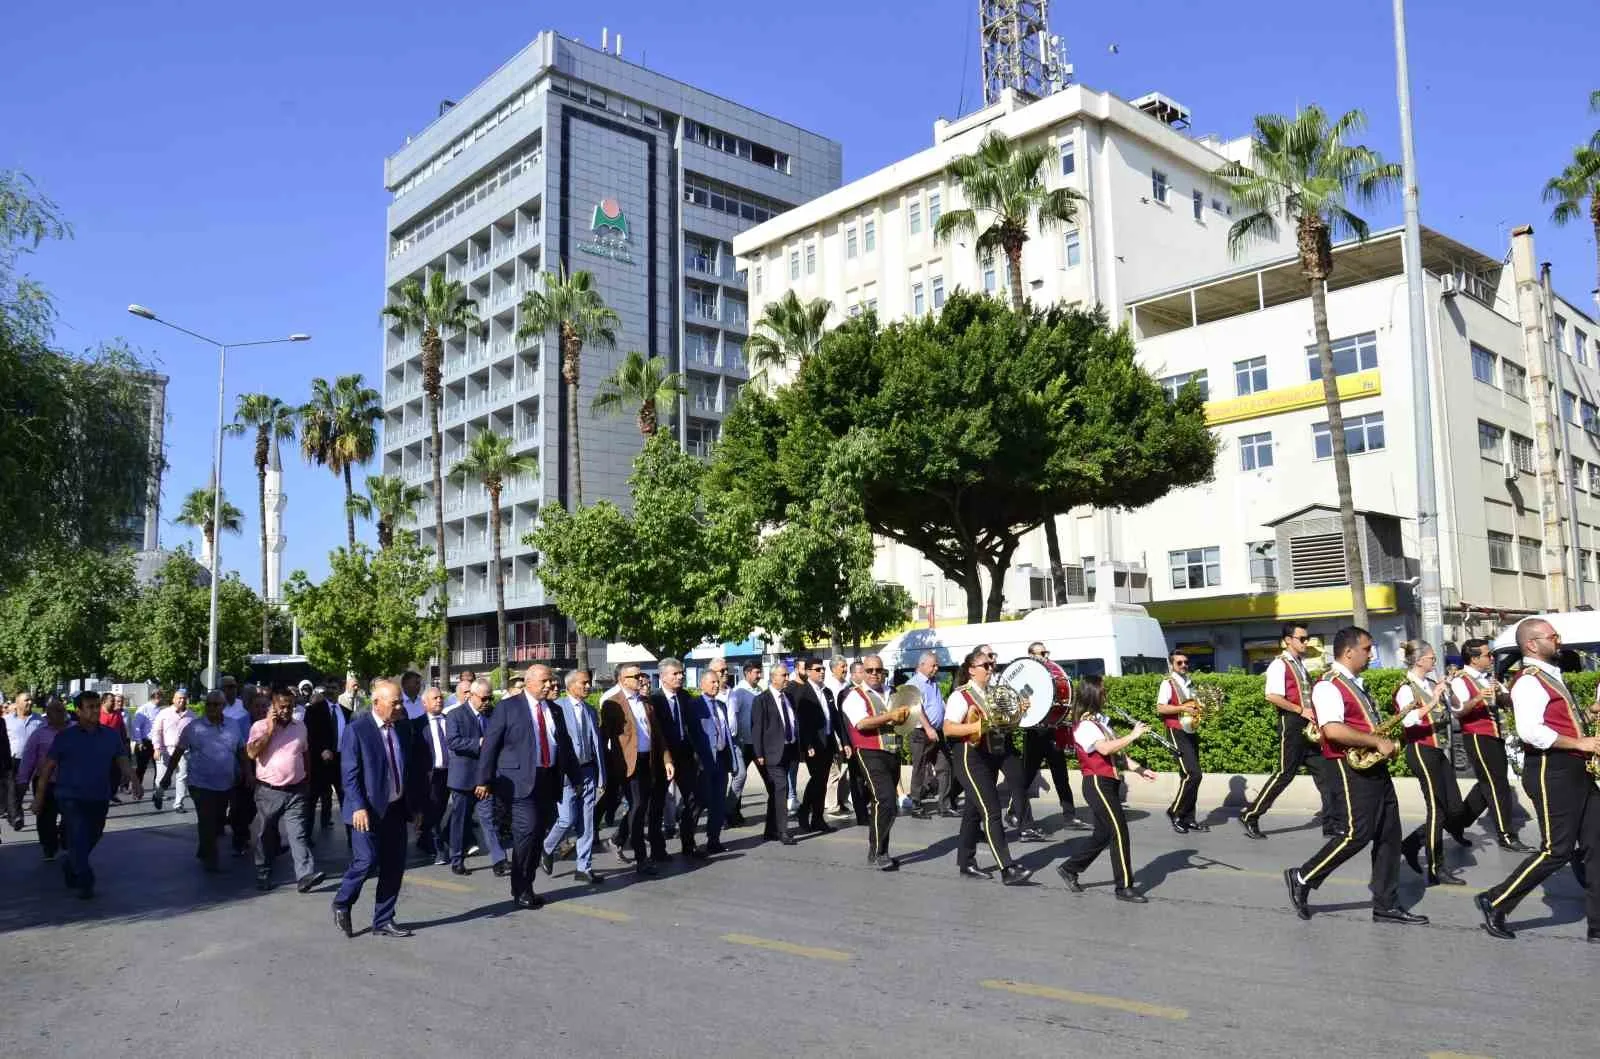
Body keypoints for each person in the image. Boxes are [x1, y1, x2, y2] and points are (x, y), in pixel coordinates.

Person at [1285, 626, 1427, 926]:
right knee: (1356, 834)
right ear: (1348, 651)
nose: (1371, 653)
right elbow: (1332, 730)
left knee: (1389, 835)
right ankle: (1302, 876)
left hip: (1371, 766)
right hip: (1347, 768)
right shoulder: (1329, 685)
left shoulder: (1356, 683)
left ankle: (1385, 904)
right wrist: (1376, 742)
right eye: (1367, 648)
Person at [1476, 617, 1600, 941]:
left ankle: (1597, 924)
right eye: (1552, 636)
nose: (1558, 640)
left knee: (1596, 844)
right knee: (1556, 850)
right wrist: (1580, 743)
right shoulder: (1530, 680)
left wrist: (1590, 714)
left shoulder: (1549, 675)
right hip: (1550, 769)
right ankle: (1496, 900)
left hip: (1575, 768)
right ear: (1532, 644)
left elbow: (1559, 722)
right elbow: (1530, 731)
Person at [476, 664, 579, 909]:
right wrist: (483, 779)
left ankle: (527, 886)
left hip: (547, 780)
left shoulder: (554, 710)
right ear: (529, 681)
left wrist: (576, 778)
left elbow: (564, 746)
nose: (549, 685)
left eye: (551, 681)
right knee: (527, 833)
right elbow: (490, 745)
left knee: (536, 837)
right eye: (544, 680)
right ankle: (520, 887)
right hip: (519, 783)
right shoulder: (508, 708)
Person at [332, 680, 418, 939]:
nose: (401, 706)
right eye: (395, 702)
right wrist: (358, 806)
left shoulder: (403, 728)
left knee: (394, 866)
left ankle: (383, 919)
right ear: (377, 703)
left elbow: (409, 769)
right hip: (366, 810)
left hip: (394, 808)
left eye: (401, 701)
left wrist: (415, 808)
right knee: (366, 860)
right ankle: (342, 902)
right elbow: (350, 774)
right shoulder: (357, 730)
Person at [1059, 679, 1158, 902]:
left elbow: (1117, 755)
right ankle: (1124, 887)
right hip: (1096, 783)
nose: (1105, 696)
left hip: (1109, 782)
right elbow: (1104, 748)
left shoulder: (1099, 723)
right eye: (1103, 692)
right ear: (1092, 695)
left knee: (1103, 834)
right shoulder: (1084, 726)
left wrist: (1140, 769)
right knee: (1119, 831)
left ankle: (1069, 868)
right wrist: (1133, 735)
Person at [36, 690, 140, 898]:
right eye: (89, 707)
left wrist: (134, 780)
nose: (94, 711)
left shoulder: (110, 735)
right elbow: (47, 768)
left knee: (94, 834)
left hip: (99, 795)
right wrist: (39, 798)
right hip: (70, 797)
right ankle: (85, 878)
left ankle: (71, 862)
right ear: (79, 711)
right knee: (78, 833)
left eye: (96, 706)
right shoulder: (65, 737)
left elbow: (122, 760)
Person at [940, 651, 1032, 886]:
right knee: (991, 811)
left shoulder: (993, 693)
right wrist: (979, 725)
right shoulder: (961, 696)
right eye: (986, 665)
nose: (991, 669)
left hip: (991, 756)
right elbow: (948, 729)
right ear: (971, 669)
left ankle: (966, 862)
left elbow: (1007, 725)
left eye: (993, 665)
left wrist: (1019, 712)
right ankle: (1007, 868)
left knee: (972, 813)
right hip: (970, 758)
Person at [1241, 624, 1335, 839]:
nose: (1305, 642)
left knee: (1326, 775)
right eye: (1301, 638)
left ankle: (1330, 824)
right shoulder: (1279, 665)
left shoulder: (1300, 664)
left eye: (1306, 638)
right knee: (1285, 774)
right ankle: (1251, 815)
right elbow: (1272, 696)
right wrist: (1301, 710)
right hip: (1292, 723)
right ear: (1287, 641)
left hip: (1309, 726)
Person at [1446, 638, 1530, 851]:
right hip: (1477, 736)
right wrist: (1477, 698)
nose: (1491, 658)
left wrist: (1502, 694)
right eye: (1487, 655)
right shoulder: (1460, 680)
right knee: (1497, 784)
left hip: (1495, 736)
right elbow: (1458, 711)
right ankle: (1506, 834)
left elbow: (1508, 702)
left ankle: (1456, 823)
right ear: (1474, 659)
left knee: (1487, 784)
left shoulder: (1490, 678)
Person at [1392, 642, 1466, 886]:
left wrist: (1448, 690)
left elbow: (1456, 709)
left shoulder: (1432, 684)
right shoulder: (1406, 688)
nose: (1435, 662)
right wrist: (1433, 701)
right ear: (1419, 660)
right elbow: (1409, 720)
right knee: (1437, 809)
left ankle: (1412, 843)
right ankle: (1436, 867)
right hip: (1421, 750)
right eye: (1432, 658)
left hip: (1438, 750)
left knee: (1455, 807)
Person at [246, 688, 323, 894]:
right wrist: (270, 730)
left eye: (290, 706)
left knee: (298, 834)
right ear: (273, 706)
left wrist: (307, 777)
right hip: (269, 792)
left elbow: (304, 753)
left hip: (296, 790)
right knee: (266, 834)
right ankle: (263, 871)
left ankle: (305, 875)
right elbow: (252, 753)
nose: (287, 711)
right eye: (282, 707)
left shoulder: (300, 727)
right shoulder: (259, 726)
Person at [160, 690, 246, 872]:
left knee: (218, 821)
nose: (212, 708)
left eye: (216, 704)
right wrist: (167, 776)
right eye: (209, 704)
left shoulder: (233, 725)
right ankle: (211, 858)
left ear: (223, 706)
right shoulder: (193, 727)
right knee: (206, 819)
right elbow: (178, 752)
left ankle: (204, 848)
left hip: (226, 783)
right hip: (200, 784)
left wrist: (248, 773)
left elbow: (241, 751)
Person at [601, 664, 673, 874]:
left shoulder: (646, 703)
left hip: (647, 761)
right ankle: (641, 858)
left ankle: (619, 840)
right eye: (636, 676)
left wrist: (667, 760)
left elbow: (658, 735)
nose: (641, 678)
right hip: (627, 765)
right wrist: (607, 769)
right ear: (623, 680)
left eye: (641, 674)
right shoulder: (612, 705)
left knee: (641, 807)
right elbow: (604, 738)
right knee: (638, 806)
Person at [840, 654, 909, 870]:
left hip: (892, 750)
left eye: (878, 670)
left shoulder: (892, 692)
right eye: (869, 670)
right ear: (861, 673)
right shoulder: (854, 696)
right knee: (885, 799)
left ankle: (879, 850)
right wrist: (890, 716)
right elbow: (861, 724)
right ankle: (878, 852)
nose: (874, 674)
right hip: (869, 751)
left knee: (887, 805)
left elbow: (907, 715)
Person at [542, 670, 608, 882]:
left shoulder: (590, 710)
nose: (588, 686)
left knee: (587, 822)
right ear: (570, 685)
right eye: (584, 683)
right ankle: (547, 847)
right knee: (567, 818)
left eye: (589, 683)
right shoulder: (556, 708)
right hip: (566, 773)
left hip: (588, 771)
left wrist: (601, 777)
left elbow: (597, 745)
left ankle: (584, 868)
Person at [444, 678, 507, 876]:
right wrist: (479, 743)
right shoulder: (455, 715)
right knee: (460, 821)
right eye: (484, 698)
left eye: (490, 698)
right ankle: (457, 859)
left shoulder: (491, 715)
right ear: (471, 695)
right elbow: (453, 742)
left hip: (485, 778)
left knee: (489, 820)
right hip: (463, 779)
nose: (487, 702)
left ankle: (500, 860)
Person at [650, 659, 702, 857]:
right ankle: (658, 849)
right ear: (663, 677)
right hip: (662, 759)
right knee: (658, 803)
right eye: (675, 674)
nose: (680, 677)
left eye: (681, 673)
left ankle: (688, 844)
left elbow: (693, 728)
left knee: (693, 798)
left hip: (685, 757)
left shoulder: (685, 697)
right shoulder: (654, 701)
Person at [792, 658, 845, 835]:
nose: (821, 672)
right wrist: (807, 744)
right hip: (813, 745)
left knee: (822, 781)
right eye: (817, 669)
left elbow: (836, 719)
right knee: (817, 779)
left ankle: (818, 818)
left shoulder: (827, 692)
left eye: (823, 669)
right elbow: (801, 722)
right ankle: (804, 811)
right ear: (808, 672)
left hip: (828, 742)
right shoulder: (803, 693)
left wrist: (844, 742)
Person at [1155, 651, 1207, 833]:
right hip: (1176, 730)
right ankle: (1175, 811)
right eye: (1179, 663)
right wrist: (1182, 707)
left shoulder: (1189, 682)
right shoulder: (1167, 683)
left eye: (1186, 662)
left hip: (1190, 729)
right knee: (1194, 774)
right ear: (1172, 665)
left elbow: (1194, 705)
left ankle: (1189, 818)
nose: (1184, 665)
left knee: (1189, 776)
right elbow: (1161, 708)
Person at [683, 669, 731, 857]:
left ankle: (714, 840)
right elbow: (690, 734)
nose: (715, 685)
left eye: (717, 682)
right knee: (699, 803)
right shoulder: (694, 705)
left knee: (718, 802)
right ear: (702, 684)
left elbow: (725, 732)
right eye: (711, 682)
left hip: (720, 759)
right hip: (703, 761)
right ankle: (688, 842)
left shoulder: (721, 705)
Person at [751, 662, 799, 845]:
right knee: (781, 788)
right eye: (783, 675)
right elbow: (757, 728)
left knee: (775, 792)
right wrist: (759, 753)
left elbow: (793, 721)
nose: (787, 678)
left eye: (787, 675)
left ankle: (770, 830)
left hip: (788, 750)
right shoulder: (761, 700)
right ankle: (782, 831)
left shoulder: (788, 698)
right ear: (773, 677)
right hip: (771, 753)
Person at [905, 652, 955, 818]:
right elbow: (916, 708)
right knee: (919, 769)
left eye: (936, 665)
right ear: (922, 665)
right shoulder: (914, 684)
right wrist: (928, 728)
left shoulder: (933, 683)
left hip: (938, 731)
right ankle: (916, 805)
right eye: (933, 665)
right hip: (921, 732)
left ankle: (945, 805)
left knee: (945, 766)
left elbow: (940, 705)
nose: (936, 668)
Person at [303, 685, 351, 832]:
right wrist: (321, 750)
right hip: (321, 762)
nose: (331, 691)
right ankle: (306, 836)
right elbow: (308, 735)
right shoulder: (313, 710)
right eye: (328, 688)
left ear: (340, 690)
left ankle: (353, 837)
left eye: (334, 687)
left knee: (347, 800)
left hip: (341, 761)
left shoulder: (346, 712)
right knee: (312, 800)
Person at [414, 687, 452, 865]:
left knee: (442, 809)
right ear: (425, 703)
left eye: (441, 697)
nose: (439, 700)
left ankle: (424, 837)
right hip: (430, 774)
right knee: (433, 811)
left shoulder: (450, 720)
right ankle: (438, 848)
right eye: (435, 698)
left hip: (450, 772)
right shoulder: (417, 724)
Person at [726, 662, 763, 827]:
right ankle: (731, 812)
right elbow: (733, 717)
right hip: (742, 743)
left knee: (769, 778)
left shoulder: (759, 690)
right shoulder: (738, 692)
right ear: (747, 673)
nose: (759, 675)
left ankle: (733, 811)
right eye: (756, 672)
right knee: (739, 778)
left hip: (756, 743)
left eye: (760, 672)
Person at [5, 691, 42, 831]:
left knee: (39, 789)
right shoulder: (8, 720)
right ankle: (16, 817)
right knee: (16, 791)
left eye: (31, 700)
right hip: (16, 760)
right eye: (26, 700)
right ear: (18, 702)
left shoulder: (39, 720)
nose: (30, 702)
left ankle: (40, 817)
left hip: (37, 761)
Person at [152, 689, 193, 813]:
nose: (182, 700)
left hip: (183, 752)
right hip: (166, 750)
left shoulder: (192, 715)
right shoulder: (164, 713)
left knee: (182, 777)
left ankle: (178, 804)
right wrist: (156, 747)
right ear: (173, 700)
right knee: (162, 777)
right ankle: (158, 795)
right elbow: (156, 731)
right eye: (179, 698)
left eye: (184, 698)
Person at [129, 689, 161, 793]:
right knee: (141, 768)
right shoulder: (144, 709)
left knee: (159, 769)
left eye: (161, 696)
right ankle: (136, 789)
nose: (161, 699)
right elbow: (136, 726)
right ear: (154, 697)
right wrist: (139, 742)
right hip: (145, 742)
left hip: (157, 743)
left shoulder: (160, 710)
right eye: (159, 696)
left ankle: (157, 791)